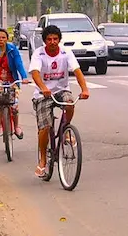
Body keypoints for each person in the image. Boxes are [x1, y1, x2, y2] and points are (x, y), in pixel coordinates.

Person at [28, 25, 90, 178]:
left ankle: (65, 131)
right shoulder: (39, 54)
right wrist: (43, 87)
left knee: (70, 102)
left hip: (62, 90)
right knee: (45, 127)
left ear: (59, 40)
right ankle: (42, 160)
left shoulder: (65, 53)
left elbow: (77, 71)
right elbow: (35, 73)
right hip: (43, 94)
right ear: (44, 41)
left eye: (55, 39)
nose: (52, 42)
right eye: (49, 39)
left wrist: (85, 89)